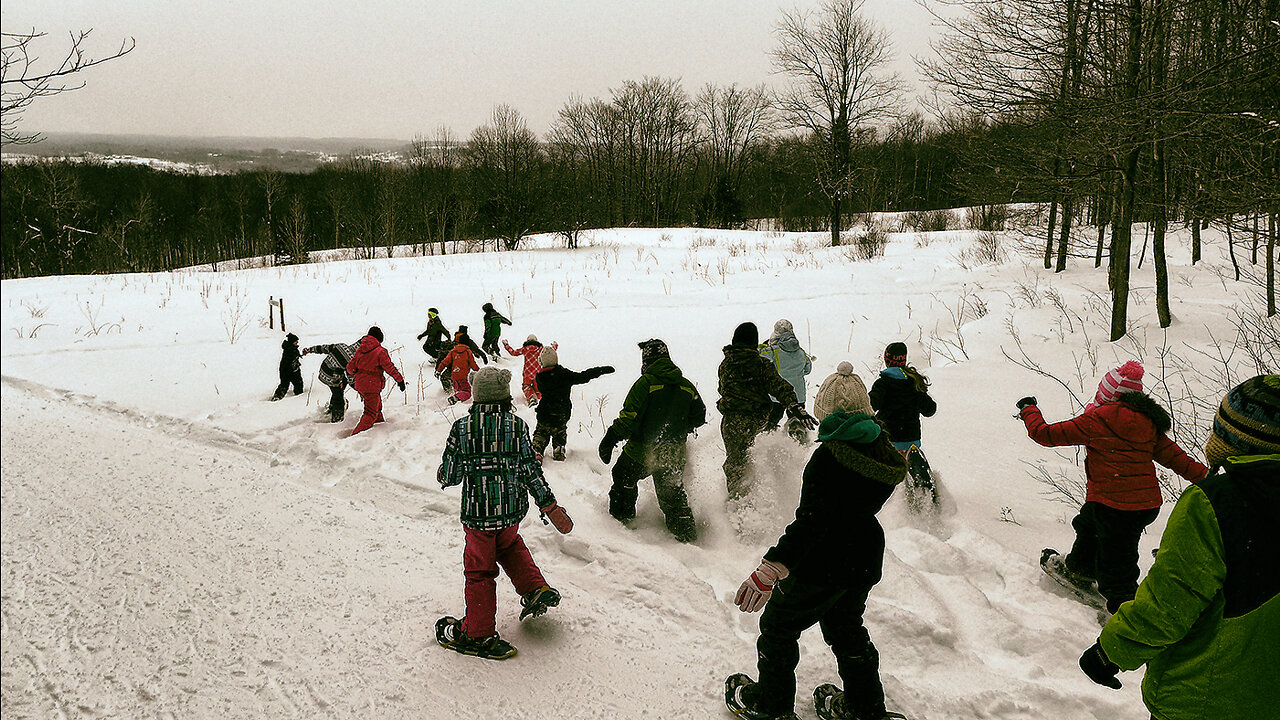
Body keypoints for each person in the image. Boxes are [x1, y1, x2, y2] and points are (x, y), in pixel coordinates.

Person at [1079, 374, 1279, 720]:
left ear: (1235, 439)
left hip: (1211, 695)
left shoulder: (1217, 503)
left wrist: (1111, 651)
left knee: (1107, 545)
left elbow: (1170, 601)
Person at [725, 366, 909, 720]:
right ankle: (867, 709)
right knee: (846, 628)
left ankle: (773, 707)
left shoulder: (829, 459)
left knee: (779, 625)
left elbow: (813, 523)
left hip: (824, 562)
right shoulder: (880, 447)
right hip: (863, 556)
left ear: (827, 413)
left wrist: (771, 568)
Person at [1017, 361, 1209, 613]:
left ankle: (1126, 607)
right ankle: (1081, 569)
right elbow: (1177, 459)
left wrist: (1029, 409)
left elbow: (1045, 434)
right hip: (1140, 504)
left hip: (1116, 506)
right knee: (1088, 524)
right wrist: (1208, 479)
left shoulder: (1095, 421)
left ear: (1106, 396)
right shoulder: (1148, 424)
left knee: (1117, 559)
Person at [436, 367, 574, 660]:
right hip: (510, 513)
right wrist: (549, 504)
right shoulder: (517, 426)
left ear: (477, 396)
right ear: (504, 397)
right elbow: (530, 470)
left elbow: (450, 474)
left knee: (480, 571)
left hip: (478, 517)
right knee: (510, 546)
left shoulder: (462, 428)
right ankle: (535, 587)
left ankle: (479, 633)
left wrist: (447, 471)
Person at [598, 339, 705, 543]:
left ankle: (621, 523)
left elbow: (628, 417)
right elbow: (699, 416)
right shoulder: (686, 385)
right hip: (673, 452)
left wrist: (611, 437)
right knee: (672, 491)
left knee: (623, 476)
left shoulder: (646, 383)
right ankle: (687, 537)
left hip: (642, 449)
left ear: (646, 360)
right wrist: (679, 427)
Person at [718, 322, 817, 499]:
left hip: (731, 422)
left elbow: (722, 389)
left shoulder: (725, 365)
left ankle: (736, 501)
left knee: (735, 460)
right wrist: (793, 405)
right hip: (757, 420)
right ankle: (759, 498)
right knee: (757, 457)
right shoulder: (762, 365)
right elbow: (779, 386)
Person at [531, 345, 613, 461]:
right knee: (560, 432)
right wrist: (600, 370)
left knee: (541, 432)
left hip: (545, 413)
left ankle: (537, 449)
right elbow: (583, 376)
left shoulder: (540, 377)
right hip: (561, 412)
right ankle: (559, 448)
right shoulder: (564, 375)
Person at [869, 342, 937, 454]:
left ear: (886, 360)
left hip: (887, 441)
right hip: (912, 443)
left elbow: (870, 406)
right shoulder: (914, 383)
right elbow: (930, 410)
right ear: (904, 360)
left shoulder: (882, 384)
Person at [345, 326, 406, 435]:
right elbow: (390, 368)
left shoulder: (360, 350)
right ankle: (355, 435)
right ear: (379, 338)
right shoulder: (380, 352)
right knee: (370, 413)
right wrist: (400, 380)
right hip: (372, 385)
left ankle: (380, 426)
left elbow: (350, 368)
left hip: (359, 384)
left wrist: (359, 371)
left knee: (376, 406)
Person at [301, 338, 358, 422]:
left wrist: (310, 350)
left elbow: (323, 348)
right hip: (331, 377)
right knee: (339, 398)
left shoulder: (341, 346)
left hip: (323, 372)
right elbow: (351, 380)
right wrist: (362, 391)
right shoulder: (351, 360)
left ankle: (332, 407)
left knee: (339, 389)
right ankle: (336, 420)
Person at [759, 319, 813, 406]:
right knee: (797, 418)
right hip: (798, 396)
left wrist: (764, 345)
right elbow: (808, 369)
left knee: (773, 418)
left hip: (779, 394)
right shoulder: (801, 352)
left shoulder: (773, 351)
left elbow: (758, 356)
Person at [504, 334, 557, 406]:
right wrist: (554, 345)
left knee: (526, 386)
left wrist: (506, 345)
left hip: (527, 373)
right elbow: (550, 351)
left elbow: (513, 352)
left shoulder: (525, 349)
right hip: (537, 373)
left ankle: (531, 397)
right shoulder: (540, 349)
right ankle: (540, 397)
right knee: (538, 387)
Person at [437, 332, 480, 404]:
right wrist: (479, 371)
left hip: (454, 376)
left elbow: (445, 361)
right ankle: (455, 398)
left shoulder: (453, 351)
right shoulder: (467, 352)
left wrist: (439, 370)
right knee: (467, 392)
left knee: (459, 390)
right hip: (463, 376)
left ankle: (456, 400)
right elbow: (473, 364)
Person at [270, 333, 304, 401]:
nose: (297, 342)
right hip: (287, 370)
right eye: (296, 341)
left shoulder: (291, 348)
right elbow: (290, 360)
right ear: (292, 342)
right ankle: (278, 397)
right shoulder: (290, 349)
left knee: (297, 383)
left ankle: (299, 395)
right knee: (285, 384)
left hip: (293, 369)